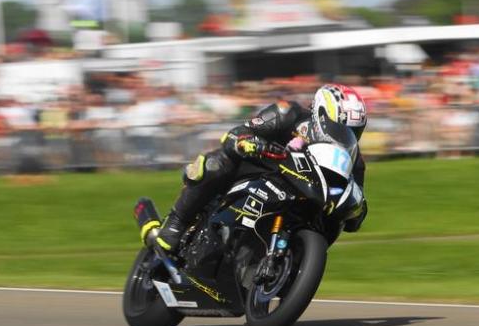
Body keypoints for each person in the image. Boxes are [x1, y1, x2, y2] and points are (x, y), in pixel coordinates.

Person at [143, 84, 368, 255]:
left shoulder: (355, 161)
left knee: (335, 218)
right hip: (261, 170)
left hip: (306, 195)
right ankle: (176, 223)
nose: (346, 136)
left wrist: (357, 210)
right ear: (320, 114)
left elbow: (355, 211)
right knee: (215, 163)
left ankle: (292, 262)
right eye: (340, 128)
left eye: (353, 131)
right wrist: (249, 142)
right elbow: (235, 135)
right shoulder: (287, 113)